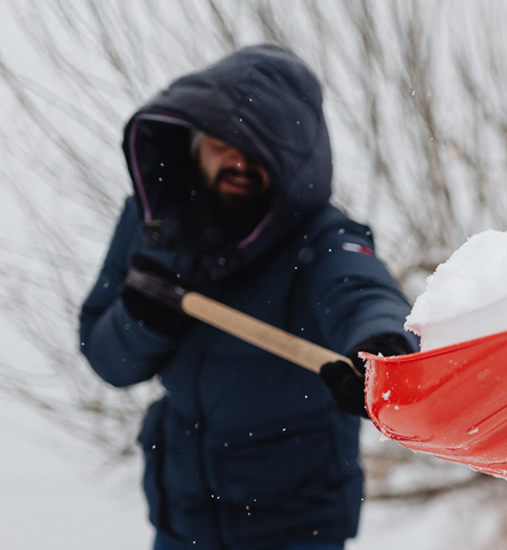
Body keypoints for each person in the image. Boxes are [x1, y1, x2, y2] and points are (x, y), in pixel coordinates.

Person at [78, 45, 418, 549]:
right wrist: (140, 318)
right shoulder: (153, 223)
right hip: (181, 520)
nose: (238, 160)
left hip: (294, 525)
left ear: (292, 155)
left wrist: (382, 346)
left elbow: (361, 289)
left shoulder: (321, 235)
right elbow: (107, 360)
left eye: (258, 145)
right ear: (194, 141)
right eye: (222, 141)